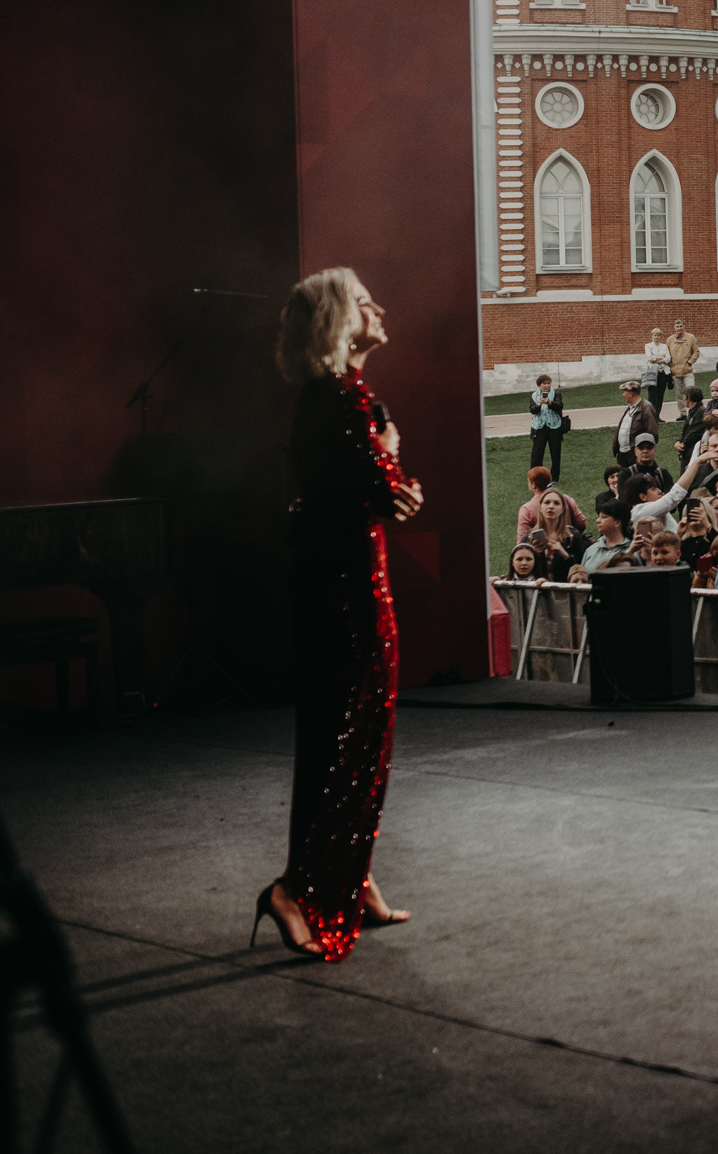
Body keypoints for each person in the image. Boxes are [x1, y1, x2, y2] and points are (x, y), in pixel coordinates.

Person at [256, 267, 420, 961]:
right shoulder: (341, 400)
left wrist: (386, 471)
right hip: (346, 589)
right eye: (361, 302)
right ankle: (297, 889)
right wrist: (389, 462)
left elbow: (382, 490)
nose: (377, 308)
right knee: (347, 739)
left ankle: (348, 877)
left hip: (343, 581)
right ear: (336, 323)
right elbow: (394, 496)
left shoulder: (341, 396)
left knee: (350, 738)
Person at [527, 373, 570, 476]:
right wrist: (539, 405)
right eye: (544, 383)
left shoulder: (556, 394)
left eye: (548, 383)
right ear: (539, 385)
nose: (547, 385)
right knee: (537, 454)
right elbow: (532, 410)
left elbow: (559, 406)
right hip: (539, 427)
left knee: (555, 454)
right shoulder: (534, 395)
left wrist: (550, 403)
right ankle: (536, 476)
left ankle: (554, 477)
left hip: (554, 427)